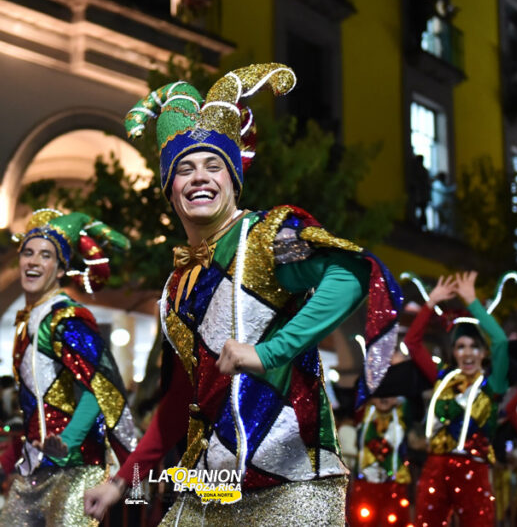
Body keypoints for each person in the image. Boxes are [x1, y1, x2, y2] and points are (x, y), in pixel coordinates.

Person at [84, 63, 403, 524]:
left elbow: (352, 274)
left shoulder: (265, 237)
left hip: (291, 487)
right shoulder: (175, 290)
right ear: (169, 189)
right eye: (185, 169)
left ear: (233, 180)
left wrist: (268, 352)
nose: (199, 176)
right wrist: (122, 481)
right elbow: (180, 402)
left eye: (214, 165)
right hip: (210, 487)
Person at [0, 209, 135, 525]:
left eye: (45, 255)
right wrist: (8, 456)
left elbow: (101, 387)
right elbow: (40, 407)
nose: (32, 261)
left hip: (75, 471)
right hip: (33, 471)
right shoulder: (27, 323)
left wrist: (68, 440)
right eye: (27, 252)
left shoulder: (67, 318)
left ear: (60, 270)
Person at [404, 272, 508, 527]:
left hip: (475, 469)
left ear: (484, 353)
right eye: (461, 346)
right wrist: (430, 304)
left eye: (474, 346)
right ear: (453, 352)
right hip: (436, 469)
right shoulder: (442, 380)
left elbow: (502, 341)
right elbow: (412, 343)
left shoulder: (492, 384)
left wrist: (472, 302)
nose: (467, 353)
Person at [348, 395, 412, 526]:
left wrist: (400, 399)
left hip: (394, 484)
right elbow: (360, 392)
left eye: (391, 394)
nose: (384, 398)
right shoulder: (364, 413)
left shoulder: (401, 414)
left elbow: (409, 402)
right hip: (366, 482)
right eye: (380, 394)